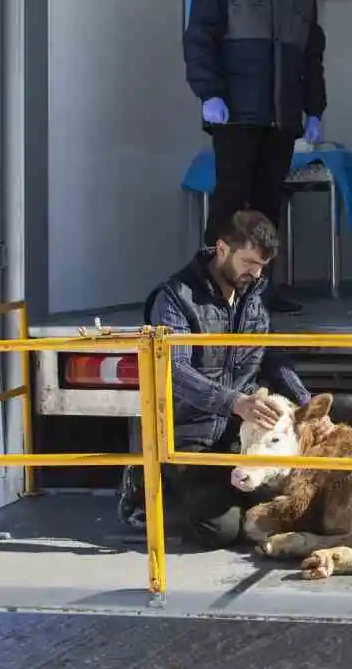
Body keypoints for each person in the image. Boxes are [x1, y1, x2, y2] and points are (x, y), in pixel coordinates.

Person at [115, 209, 312, 547]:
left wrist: (308, 409)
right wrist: (233, 402)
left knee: (280, 508)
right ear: (222, 249)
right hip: (188, 431)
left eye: (263, 265)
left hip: (241, 431)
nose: (257, 272)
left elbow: (269, 354)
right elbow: (172, 370)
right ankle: (146, 480)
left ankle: (214, 491)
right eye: (249, 262)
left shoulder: (255, 292)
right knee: (221, 531)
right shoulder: (175, 298)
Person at [183, 0, 326, 315]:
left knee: (267, 206)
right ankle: (211, 290)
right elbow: (200, 39)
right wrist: (208, 92)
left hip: (282, 117)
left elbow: (311, 56)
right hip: (236, 114)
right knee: (230, 200)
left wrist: (314, 109)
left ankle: (259, 291)